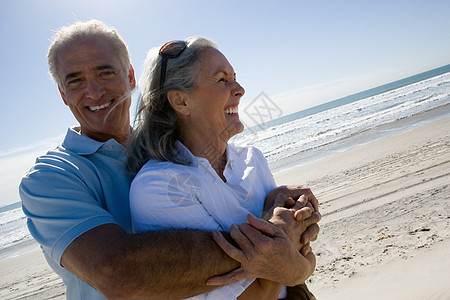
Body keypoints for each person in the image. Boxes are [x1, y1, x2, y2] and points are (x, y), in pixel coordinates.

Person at [19, 19, 320, 300]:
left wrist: (285, 225)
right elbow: (117, 272)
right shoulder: (50, 177)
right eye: (75, 81)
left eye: (105, 72)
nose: (94, 91)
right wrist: (274, 240)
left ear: (130, 77)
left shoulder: (174, 151)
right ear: (62, 94)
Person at [127, 37, 318, 299]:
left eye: (235, 78)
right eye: (222, 80)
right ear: (181, 101)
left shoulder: (253, 159)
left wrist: (295, 252)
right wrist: (281, 228)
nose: (239, 89)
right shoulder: (159, 187)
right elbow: (256, 295)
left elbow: (300, 259)